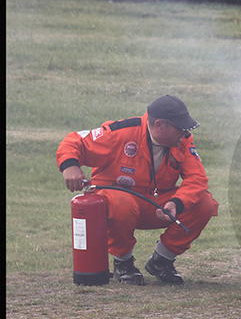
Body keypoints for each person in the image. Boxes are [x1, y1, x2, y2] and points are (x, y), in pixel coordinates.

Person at [57, 95, 218, 285]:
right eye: (180, 128)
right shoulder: (120, 133)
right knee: (122, 202)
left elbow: (197, 179)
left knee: (205, 203)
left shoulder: (183, 141)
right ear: (159, 125)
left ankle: (162, 261)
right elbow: (74, 140)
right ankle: (123, 262)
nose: (184, 133)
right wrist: (70, 166)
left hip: (156, 205)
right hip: (117, 204)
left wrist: (177, 203)